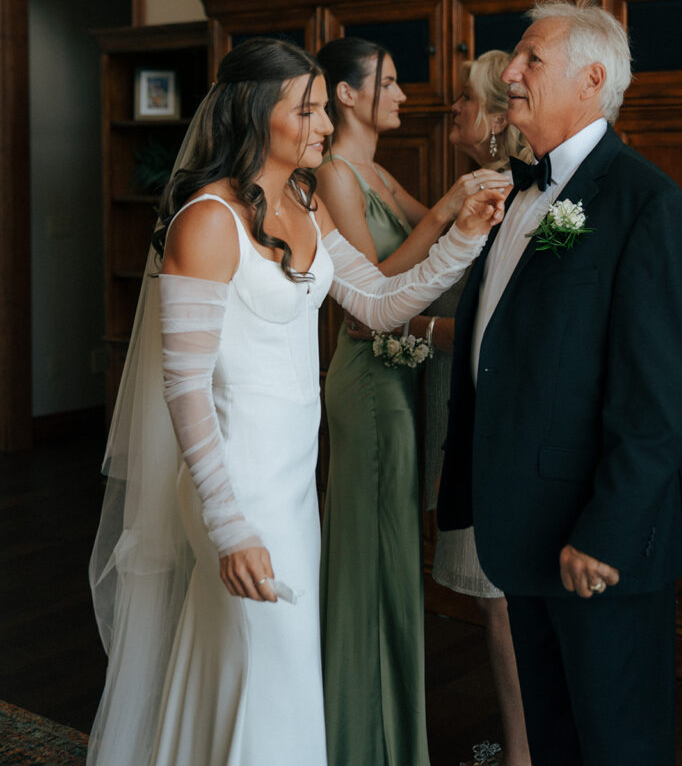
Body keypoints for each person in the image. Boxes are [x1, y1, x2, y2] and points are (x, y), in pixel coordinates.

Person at [86, 37, 507, 766]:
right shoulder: (207, 222)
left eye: (320, 108)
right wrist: (226, 525)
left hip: (290, 486)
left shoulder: (306, 209)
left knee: (257, 668)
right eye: (306, 109)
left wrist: (464, 239)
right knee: (264, 663)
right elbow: (183, 387)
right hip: (236, 486)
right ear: (258, 114)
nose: (321, 124)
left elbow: (376, 305)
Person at [437, 0, 682, 765]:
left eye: (529, 59)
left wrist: (605, 531)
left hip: (591, 542)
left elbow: (657, 398)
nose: (508, 73)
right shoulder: (509, 195)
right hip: (521, 532)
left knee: (616, 743)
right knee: (552, 740)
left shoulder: (646, 204)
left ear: (591, 79)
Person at [314, 36, 507, 766]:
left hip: (405, 375)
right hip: (370, 380)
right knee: (371, 557)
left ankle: (391, 729)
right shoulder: (335, 173)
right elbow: (370, 289)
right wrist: (449, 212)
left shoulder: (376, 171)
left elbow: (454, 246)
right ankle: (359, 736)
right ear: (346, 95)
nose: (402, 95)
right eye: (388, 83)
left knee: (396, 556)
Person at [410, 51, 532, 766]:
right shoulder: (481, 190)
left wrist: (411, 331)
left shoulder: (499, 198)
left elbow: (495, 325)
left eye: (462, 100)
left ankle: (520, 754)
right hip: (479, 417)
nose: (449, 109)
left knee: (501, 603)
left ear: (492, 119)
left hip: (499, 426)